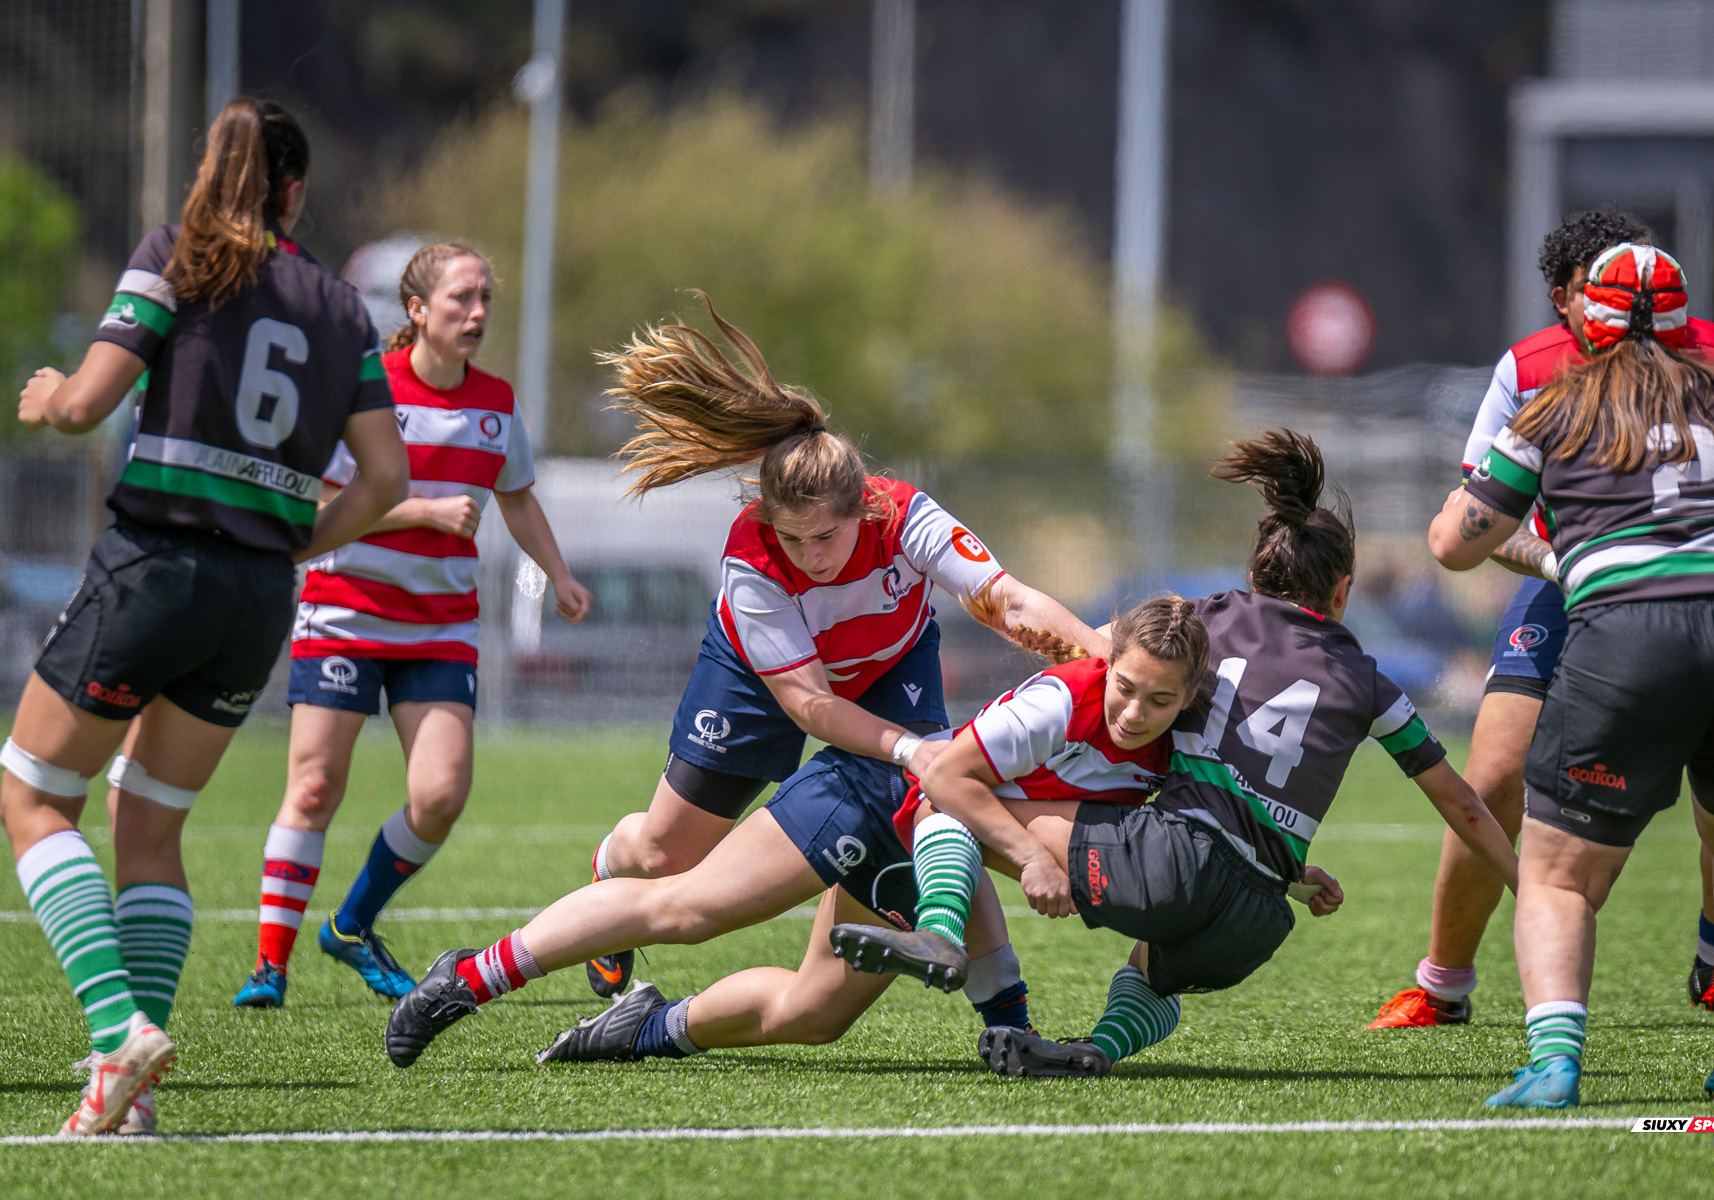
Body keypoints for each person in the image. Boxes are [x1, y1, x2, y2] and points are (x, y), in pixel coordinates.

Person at [838, 430, 1521, 1078]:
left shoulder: (1212, 617)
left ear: (1254, 576)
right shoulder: (1374, 683)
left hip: (1170, 866)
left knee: (947, 797)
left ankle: (937, 932)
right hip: (1256, 925)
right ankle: (1102, 1048)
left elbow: (1106, 651)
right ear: (1341, 592)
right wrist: (1529, 887)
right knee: (1149, 968)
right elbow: (1462, 802)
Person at [3, 100, 407, 1135]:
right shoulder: (340, 307)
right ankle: (124, 1104)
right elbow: (384, 480)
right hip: (257, 600)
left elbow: (91, 401)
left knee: (34, 798)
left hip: (155, 570)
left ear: (209, 174)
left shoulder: (177, 258)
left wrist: (47, 395)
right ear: (294, 191)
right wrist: (285, 542)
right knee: (152, 826)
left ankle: (115, 1030)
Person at [378, 596, 1186, 1069]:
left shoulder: (1178, 748)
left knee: (813, 1016)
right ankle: (469, 978)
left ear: (1189, 700)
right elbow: (946, 788)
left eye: (1158, 701)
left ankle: (642, 1028)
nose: (1133, 711)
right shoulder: (1064, 700)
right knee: (686, 908)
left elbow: (968, 852)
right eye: (1125, 688)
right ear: (1107, 665)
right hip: (876, 791)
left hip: (930, 843)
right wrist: (1030, 866)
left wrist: (1008, 1022)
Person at [574, 297, 1102, 998]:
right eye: (793, 538)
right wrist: (911, 748)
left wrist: (1108, 664)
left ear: (863, 508)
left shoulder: (907, 516)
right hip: (765, 684)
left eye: (825, 536)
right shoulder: (750, 560)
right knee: (665, 853)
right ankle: (611, 867)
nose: (810, 555)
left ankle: (1007, 1014)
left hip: (890, 667)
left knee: (938, 797)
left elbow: (1007, 600)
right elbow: (812, 705)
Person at [1370, 209, 1714, 1030]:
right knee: (1494, 775)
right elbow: (1484, 519)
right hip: (1575, 576)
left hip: (1699, 585)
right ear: (1567, 296)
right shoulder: (1530, 369)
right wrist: (1560, 561)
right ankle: (1443, 983)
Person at [231, 243, 593, 1009]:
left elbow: (517, 496)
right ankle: (269, 966)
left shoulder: (495, 403)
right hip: (347, 612)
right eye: (461, 298)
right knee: (315, 785)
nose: (479, 313)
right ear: (418, 312)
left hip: (439, 628)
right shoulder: (366, 392)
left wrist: (558, 576)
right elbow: (323, 499)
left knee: (440, 796)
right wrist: (421, 509)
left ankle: (352, 924)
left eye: (486, 297)